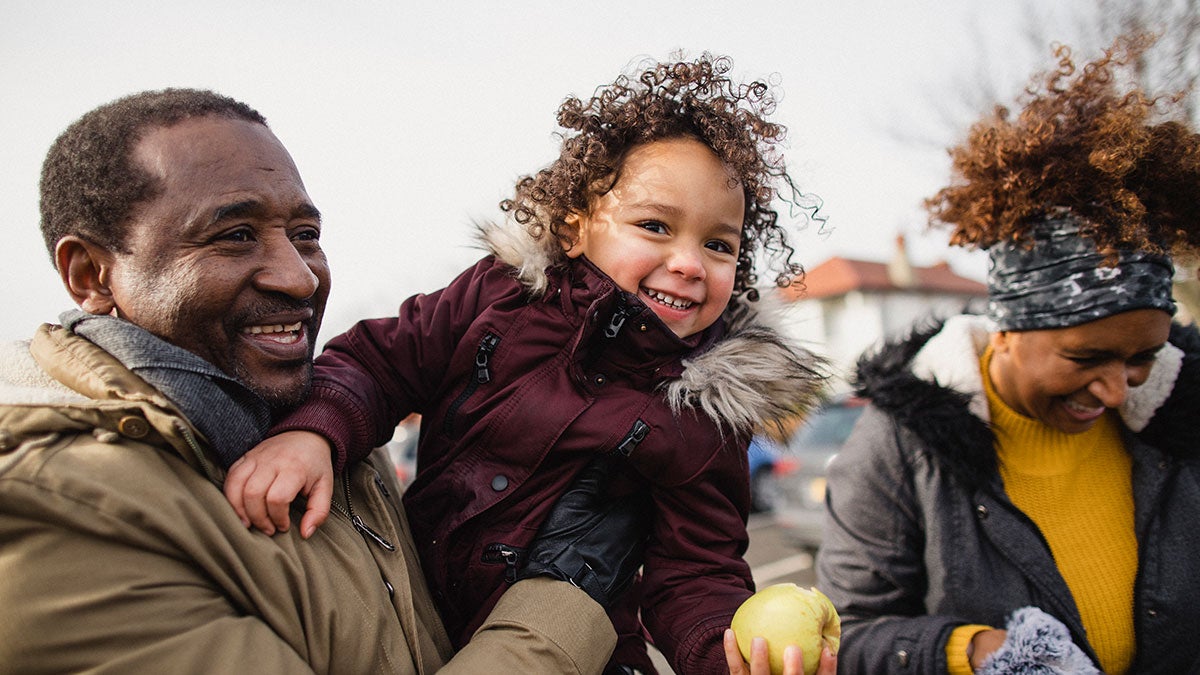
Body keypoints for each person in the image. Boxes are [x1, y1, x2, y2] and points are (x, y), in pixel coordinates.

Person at [0, 88, 651, 673]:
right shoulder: (55, 514)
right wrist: (565, 595)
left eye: (305, 233)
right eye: (233, 235)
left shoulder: (309, 420)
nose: (299, 276)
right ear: (90, 273)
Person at [226, 54, 833, 673]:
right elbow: (378, 363)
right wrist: (312, 432)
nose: (689, 262)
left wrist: (727, 654)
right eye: (654, 225)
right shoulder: (499, 297)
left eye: (718, 244)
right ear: (574, 229)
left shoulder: (706, 410)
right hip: (415, 622)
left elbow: (697, 573)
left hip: (582, 654)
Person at [816, 36, 1200, 674]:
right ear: (1009, 330)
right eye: (1087, 357)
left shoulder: (1182, 417)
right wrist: (970, 651)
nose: (1117, 389)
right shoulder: (902, 446)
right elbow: (847, 632)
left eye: (1142, 357)